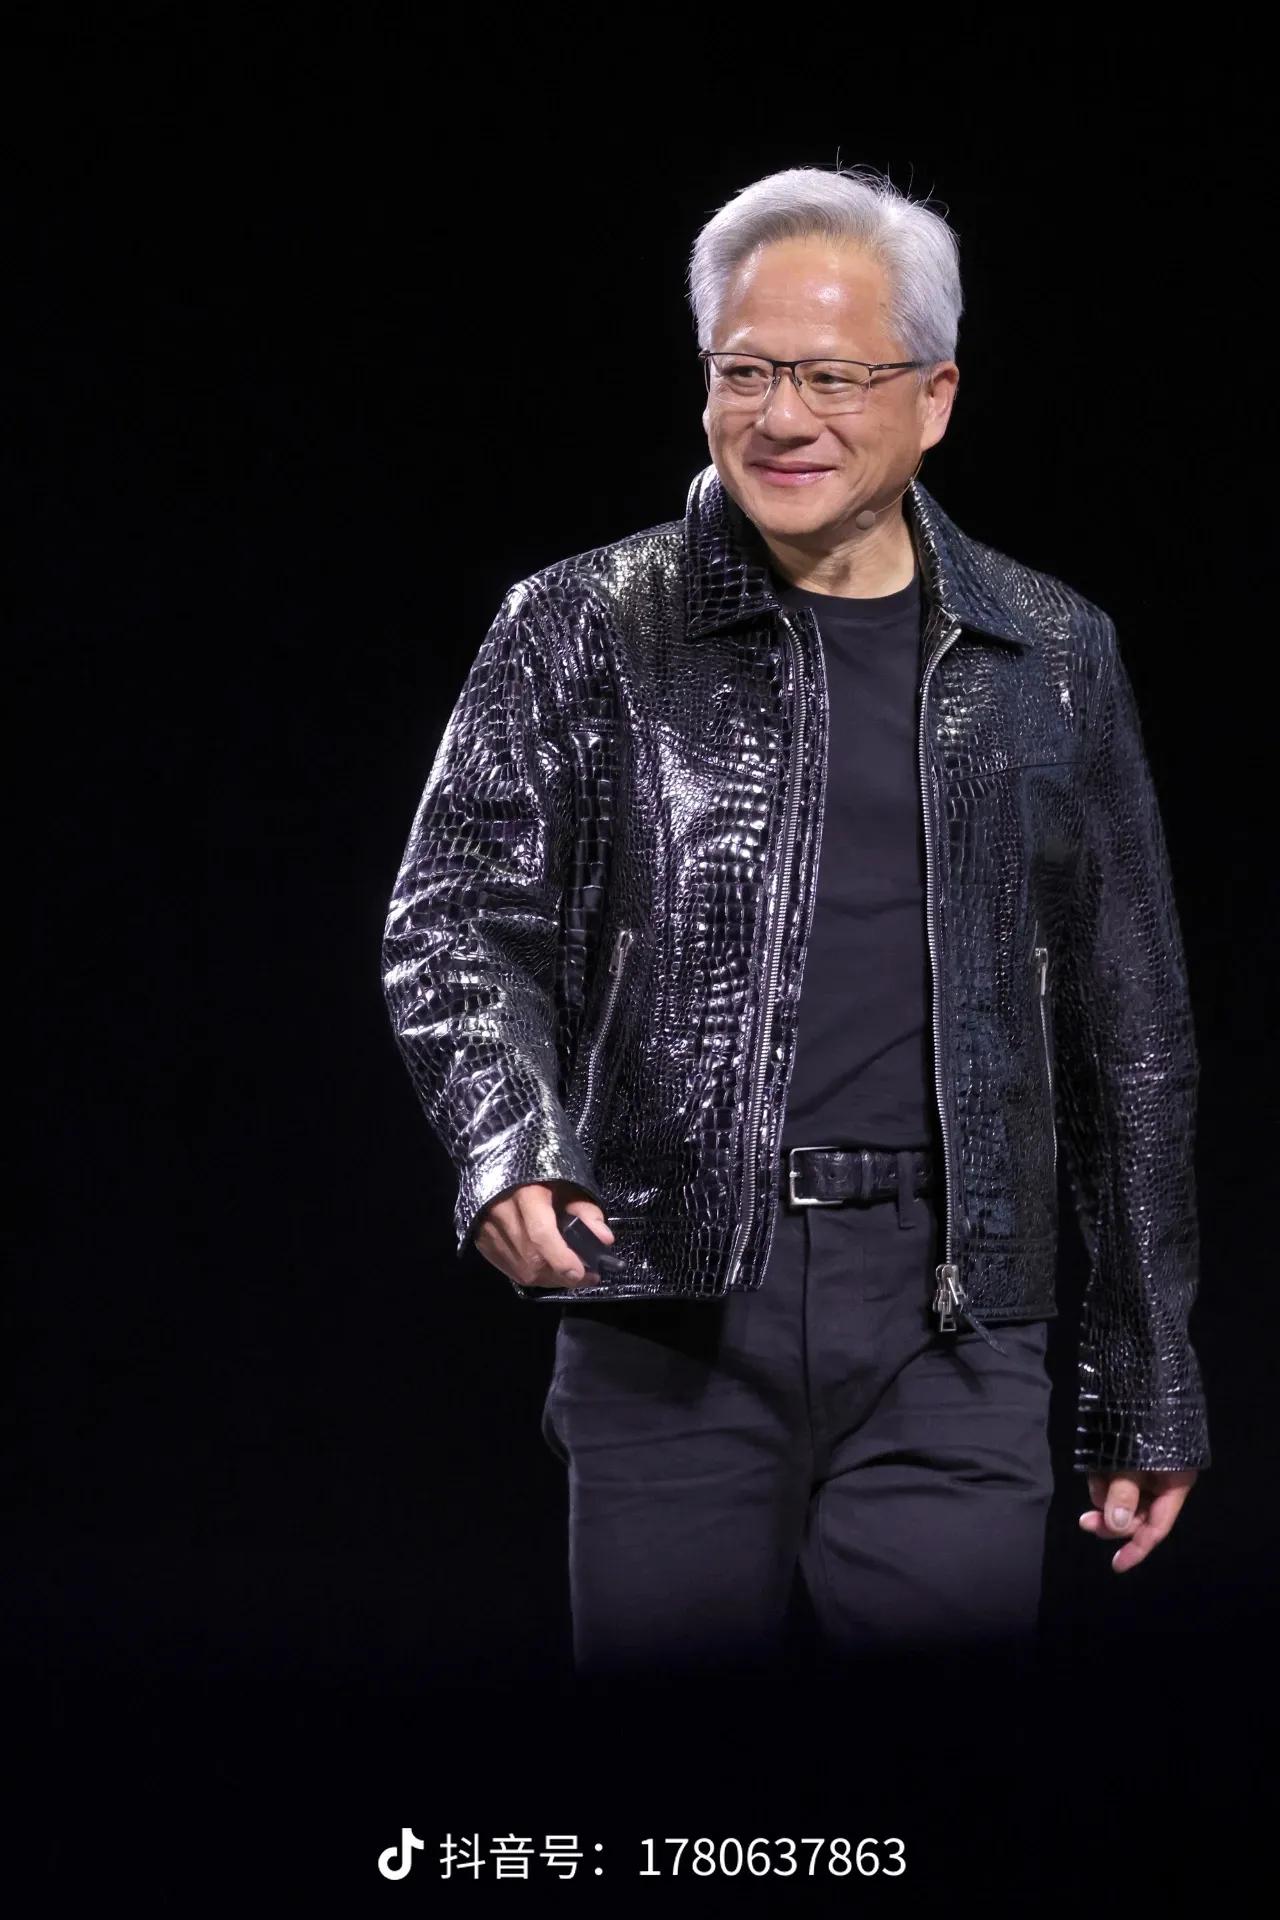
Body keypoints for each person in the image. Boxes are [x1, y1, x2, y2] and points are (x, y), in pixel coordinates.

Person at [381, 164, 1209, 1677]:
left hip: (958, 1315)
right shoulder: (583, 626)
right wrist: (507, 1149)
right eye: (744, 372)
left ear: (933, 396)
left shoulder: (1050, 652)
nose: (781, 417)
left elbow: (1130, 1032)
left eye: (831, 377)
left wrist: (1145, 1376)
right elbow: (455, 923)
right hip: (672, 1300)